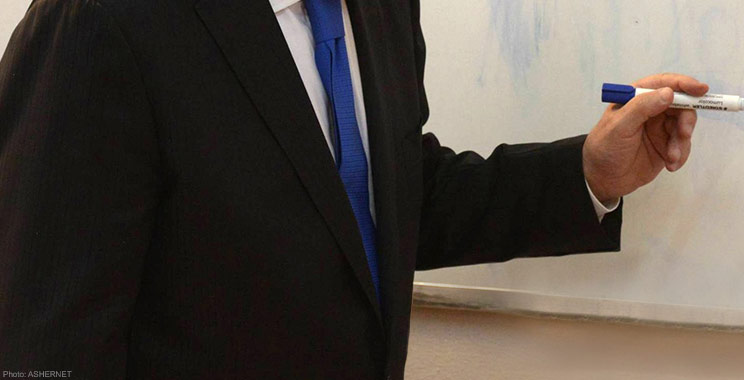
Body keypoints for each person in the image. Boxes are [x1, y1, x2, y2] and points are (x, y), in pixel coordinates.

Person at [0, 0, 706, 378]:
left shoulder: (382, 9)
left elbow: (382, 204)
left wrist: (588, 173)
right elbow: (43, 341)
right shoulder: (101, 21)